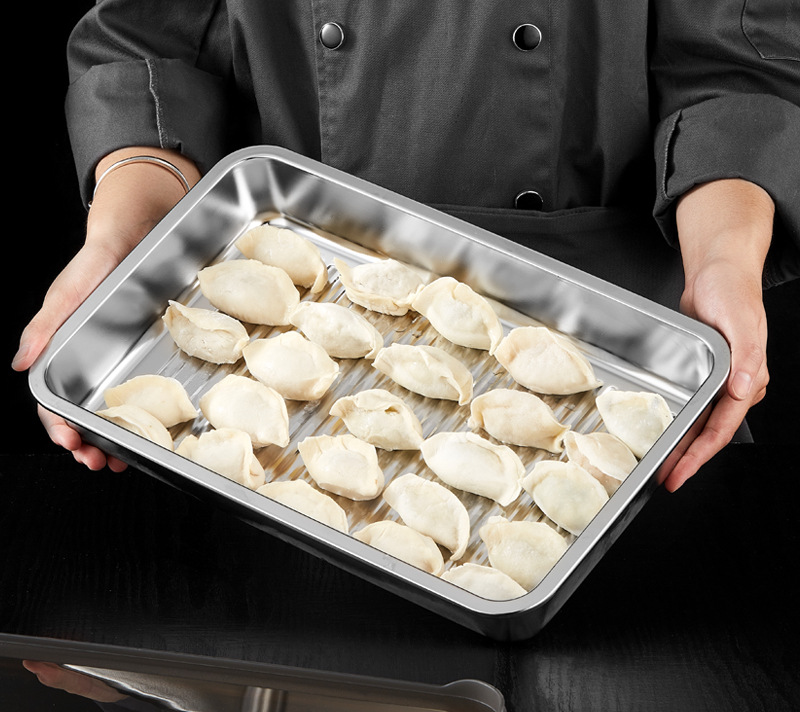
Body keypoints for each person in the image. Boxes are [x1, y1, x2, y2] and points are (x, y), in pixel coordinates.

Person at [12, 1, 800, 491]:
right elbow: (151, 50)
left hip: (616, 343)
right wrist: (123, 238)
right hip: (294, 318)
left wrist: (725, 264)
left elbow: (735, 72)